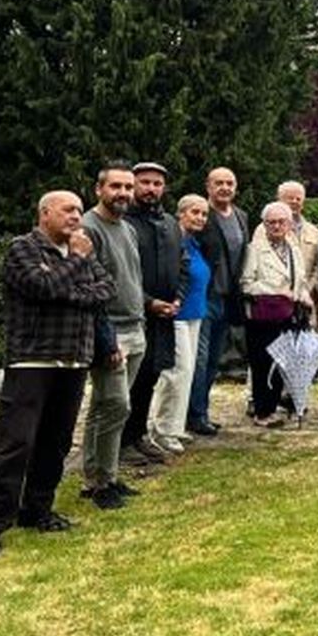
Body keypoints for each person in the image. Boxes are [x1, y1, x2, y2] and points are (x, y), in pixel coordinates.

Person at [0, 191, 117, 558]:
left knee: (56, 442)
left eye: (79, 210)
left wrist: (68, 284)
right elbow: (42, 287)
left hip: (74, 360)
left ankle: (37, 510)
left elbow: (106, 290)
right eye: (68, 210)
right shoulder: (24, 248)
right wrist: (76, 269)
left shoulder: (78, 251)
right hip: (32, 360)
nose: (76, 217)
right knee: (13, 444)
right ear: (45, 213)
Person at [79, 162, 145, 510]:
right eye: (115, 186)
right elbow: (91, 286)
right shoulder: (89, 228)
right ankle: (101, 481)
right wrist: (106, 339)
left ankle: (102, 476)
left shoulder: (126, 228)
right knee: (116, 406)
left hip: (135, 325)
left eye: (127, 187)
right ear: (99, 189)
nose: (123, 193)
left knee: (105, 407)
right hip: (111, 330)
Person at [122, 161, 186, 463]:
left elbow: (183, 264)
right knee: (128, 381)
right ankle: (120, 442)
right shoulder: (125, 224)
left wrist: (178, 297)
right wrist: (148, 302)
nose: (151, 188)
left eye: (157, 183)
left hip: (165, 315)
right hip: (133, 315)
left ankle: (138, 435)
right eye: (145, 182)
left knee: (151, 376)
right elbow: (120, 274)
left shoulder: (170, 223)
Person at [146, 194, 211, 454]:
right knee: (176, 372)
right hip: (176, 314)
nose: (200, 218)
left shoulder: (193, 243)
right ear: (180, 213)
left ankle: (175, 426)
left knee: (188, 372)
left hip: (195, 313)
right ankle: (160, 429)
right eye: (195, 212)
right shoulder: (172, 241)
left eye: (204, 214)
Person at [187, 166, 248, 437]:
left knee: (213, 359)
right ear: (208, 187)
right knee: (198, 360)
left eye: (230, 183)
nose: (225, 187)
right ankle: (194, 415)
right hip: (205, 295)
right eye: (219, 183)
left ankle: (202, 410)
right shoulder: (202, 215)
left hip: (228, 298)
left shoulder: (241, 216)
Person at [240, 202, 311, 427]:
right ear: (264, 225)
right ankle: (262, 411)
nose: (277, 226)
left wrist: (303, 294)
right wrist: (275, 291)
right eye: (271, 222)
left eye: (282, 222)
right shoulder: (254, 249)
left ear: (290, 224)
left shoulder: (294, 250)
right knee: (262, 364)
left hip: (288, 314)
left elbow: (299, 280)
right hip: (263, 315)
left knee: (282, 362)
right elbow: (246, 284)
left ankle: (273, 406)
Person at [277, 180, 318, 329]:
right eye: (289, 198)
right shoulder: (265, 229)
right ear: (279, 200)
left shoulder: (314, 232)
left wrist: (307, 289)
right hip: (277, 301)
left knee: (304, 348)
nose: (294, 201)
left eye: (298, 198)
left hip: (307, 302)